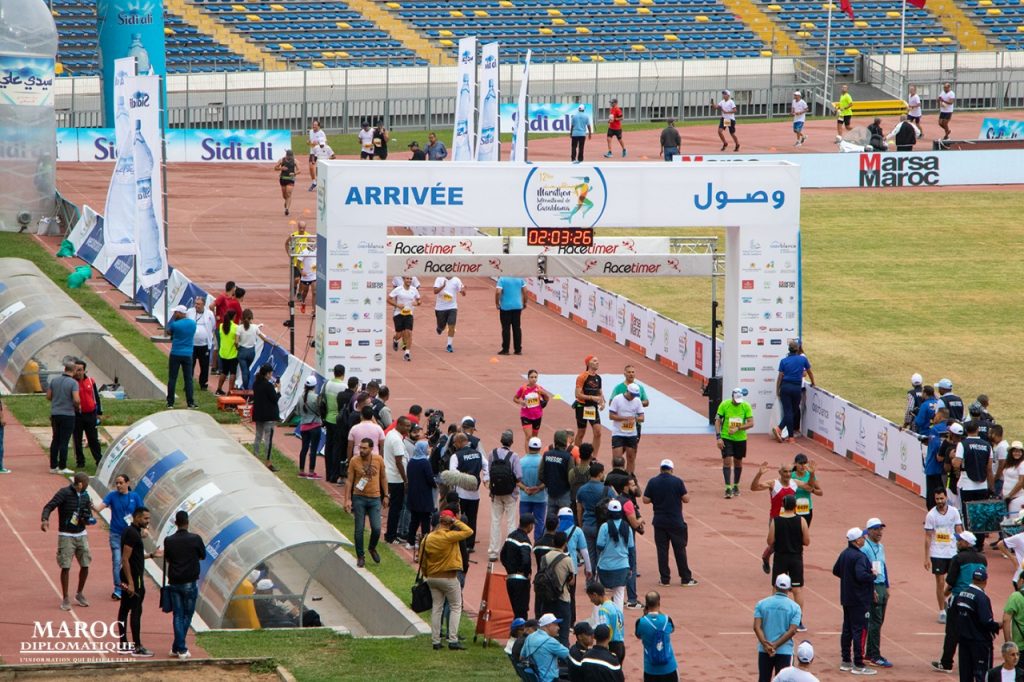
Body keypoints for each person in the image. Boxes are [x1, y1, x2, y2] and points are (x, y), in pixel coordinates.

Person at [934, 531, 988, 673]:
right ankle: (978, 662)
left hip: (959, 598)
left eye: (961, 540)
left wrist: (946, 593)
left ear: (967, 543)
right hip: (978, 598)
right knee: (976, 630)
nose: (958, 542)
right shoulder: (983, 559)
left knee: (952, 632)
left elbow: (951, 581)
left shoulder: (957, 558)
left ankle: (946, 663)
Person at [420, 509, 472, 650]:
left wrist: (427, 574)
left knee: (437, 608)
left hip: (432, 578)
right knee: (455, 606)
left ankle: (436, 641)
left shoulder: (428, 538)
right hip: (449, 578)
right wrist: (456, 521)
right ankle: (452, 640)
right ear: (449, 522)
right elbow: (469, 532)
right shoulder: (449, 536)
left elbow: (422, 560)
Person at [42, 471, 94, 610]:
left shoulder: (85, 495)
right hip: (66, 535)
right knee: (66, 566)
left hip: (81, 534)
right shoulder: (64, 493)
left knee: (85, 564)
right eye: (87, 484)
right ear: (80, 484)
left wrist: (87, 519)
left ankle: (79, 593)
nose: (88, 486)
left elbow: (88, 513)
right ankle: (65, 597)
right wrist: (45, 520)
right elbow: (49, 506)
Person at [642, 459, 696, 588]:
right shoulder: (677, 481)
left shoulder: (653, 481)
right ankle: (685, 578)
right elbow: (686, 499)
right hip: (675, 521)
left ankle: (665, 578)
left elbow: (645, 500)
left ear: (661, 469)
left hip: (659, 521)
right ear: (671, 469)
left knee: (662, 551)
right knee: (680, 550)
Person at [833, 527, 877, 675]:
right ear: (857, 540)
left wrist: (848, 579)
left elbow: (836, 570)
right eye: (862, 537)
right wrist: (872, 576)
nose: (864, 539)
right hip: (859, 600)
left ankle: (846, 660)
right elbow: (861, 575)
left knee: (847, 629)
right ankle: (858, 663)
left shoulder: (845, 554)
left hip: (847, 598)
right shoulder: (859, 557)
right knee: (859, 630)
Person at [91, 474, 142, 601]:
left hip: (131, 536)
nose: (118, 485)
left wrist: (145, 528)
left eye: (121, 483)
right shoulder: (112, 496)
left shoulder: (135, 497)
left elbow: (142, 513)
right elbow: (99, 507)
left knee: (132, 561)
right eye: (117, 483)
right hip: (116, 535)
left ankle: (133, 584)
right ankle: (118, 589)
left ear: (128, 483)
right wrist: (91, 505)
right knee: (117, 561)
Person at [163, 510, 206, 659]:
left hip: (174, 582)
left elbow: (167, 558)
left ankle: (176, 647)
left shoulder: (168, 540)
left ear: (176, 523)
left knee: (178, 615)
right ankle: (181, 648)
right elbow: (202, 555)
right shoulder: (196, 539)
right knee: (187, 614)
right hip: (189, 582)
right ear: (188, 522)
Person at [118, 506, 156, 657]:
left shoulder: (132, 532)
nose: (148, 521)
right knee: (135, 610)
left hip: (131, 576)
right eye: (146, 518)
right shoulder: (133, 534)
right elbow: (125, 559)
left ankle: (123, 644)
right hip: (134, 578)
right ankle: (137, 647)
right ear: (137, 517)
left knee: (124, 609)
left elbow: (135, 556)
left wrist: (151, 555)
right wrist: (131, 582)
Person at [767, 495, 809, 629]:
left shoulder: (776, 521)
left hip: (780, 557)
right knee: (797, 589)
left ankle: (775, 618)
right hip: (796, 557)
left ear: (783, 506)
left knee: (776, 587)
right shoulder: (801, 520)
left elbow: (769, 541)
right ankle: (798, 620)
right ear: (795, 506)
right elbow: (807, 541)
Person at [346, 438, 388, 568]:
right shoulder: (354, 461)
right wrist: (347, 499)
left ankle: (372, 547)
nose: (362, 451)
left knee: (376, 528)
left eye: (364, 448)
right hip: (359, 497)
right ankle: (360, 556)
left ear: (371, 448)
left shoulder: (378, 460)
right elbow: (349, 480)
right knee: (359, 529)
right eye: (360, 448)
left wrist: (386, 495)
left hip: (375, 498)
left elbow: (383, 477)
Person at [925, 488, 964, 623]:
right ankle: (942, 611)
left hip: (952, 551)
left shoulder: (954, 512)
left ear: (946, 497)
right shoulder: (931, 515)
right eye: (937, 499)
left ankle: (947, 599)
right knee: (940, 582)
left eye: (942, 498)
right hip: (937, 552)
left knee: (954, 581)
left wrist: (963, 547)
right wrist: (926, 557)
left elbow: (959, 530)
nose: (940, 501)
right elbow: (928, 537)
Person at [754, 574, 802, 682]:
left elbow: (756, 627)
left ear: (775, 586)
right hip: (784, 651)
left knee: (763, 679)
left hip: (764, 650)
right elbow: (792, 630)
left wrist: (766, 645)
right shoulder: (795, 607)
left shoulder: (761, 604)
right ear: (789, 589)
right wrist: (775, 645)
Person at [956, 567, 1001, 681]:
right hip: (980, 643)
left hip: (964, 641)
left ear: (972, 579)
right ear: (985, 581)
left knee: (965, 676)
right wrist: (998, 625)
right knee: (982, 675)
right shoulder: (981, 597)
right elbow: (986, 621)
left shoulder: (961, 594)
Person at [956, 420, 995, 549]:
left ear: (966, 431)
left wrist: (952, 458)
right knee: (980, 515)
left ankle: (968, 544)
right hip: (982, 485)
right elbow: (989, 468)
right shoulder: (987, 445)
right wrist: (991, 487)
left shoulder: (962, 444)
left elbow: (957, 463)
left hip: (966, 484)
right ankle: (980, 544)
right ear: (978, 430)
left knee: (967, 515)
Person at [859, 518, 892, 668]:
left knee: (879, 621)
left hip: (881, 586)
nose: (880, 532)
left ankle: (870, 652)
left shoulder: (882, 547)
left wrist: (887, 586)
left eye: (881, 529)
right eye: (876, 529)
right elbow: (865, 570)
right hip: (873, 586)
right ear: (869, 531)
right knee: (875, 621)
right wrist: (871, 589)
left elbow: (883, 567)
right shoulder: (865, 548)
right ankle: (874, 654)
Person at [488, 430, 523, 560]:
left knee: (495, 522)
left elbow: (489, 471)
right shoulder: (514, 456)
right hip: (510, 493)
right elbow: (519, 476)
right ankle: (511, 552)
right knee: (511, 522)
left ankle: (493, 552)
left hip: (496, 493)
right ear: (511, 442)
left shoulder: (492, 453)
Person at [716, 387, 754, 498]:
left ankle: (736, 485)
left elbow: (751, 423)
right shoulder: (724, 405)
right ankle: (728, 487)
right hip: (726, 437)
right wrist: (718, 437)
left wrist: (738, 428)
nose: (737, 403)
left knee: (738, 462)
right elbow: (718, 421)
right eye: (736, 400)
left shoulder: (746, 406)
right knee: (727, 461)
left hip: (740, 439)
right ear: (732, 396)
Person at [773, 341, 814, 443]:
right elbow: (809, 372)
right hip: (796, 388)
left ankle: (785, 433)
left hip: (785, 387)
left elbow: (780, 377)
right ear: (798, 349)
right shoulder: (803, 359)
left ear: (789, 349)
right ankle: (787, 434)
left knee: (788, 411)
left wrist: (777, 389)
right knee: (793, 411)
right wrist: (813, 382)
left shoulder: (783, 361)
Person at [596, 499, 634, 609]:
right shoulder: (627, 527)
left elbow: (599, 546)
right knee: (619, 595)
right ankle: (618, 623)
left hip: (605, 565)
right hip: (622, 566)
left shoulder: (604, 527)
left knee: (600, 595)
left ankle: (599, 621)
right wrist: (631, 566)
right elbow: (631, 550)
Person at [537, 531, 573, 645]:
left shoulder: (544, 558)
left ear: (553, 542)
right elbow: (572, 582)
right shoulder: (567, 559)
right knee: (563, 634)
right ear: (565, 543)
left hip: (547, 598)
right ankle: (563, 660)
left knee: (546, 632)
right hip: (562, 598)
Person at [635, 590, 677, 681]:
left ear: (646, 604)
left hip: (651, 669)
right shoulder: (667, 619)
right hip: (669, 667)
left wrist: (644, 615)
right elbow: (672, 629)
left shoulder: (641, 622)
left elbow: (638, 635)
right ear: (659, 603)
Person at [382, 416, 411, 546]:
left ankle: (390, 534)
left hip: (390, 476)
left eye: (409, 426)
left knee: (394, 508)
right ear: (398, 424)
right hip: (396, 479)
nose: (408, 428)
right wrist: (405, 480)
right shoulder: (397, 440)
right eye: (406, 426)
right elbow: (399, 461)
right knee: (395, 509)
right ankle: (391, 536)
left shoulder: (391, 434)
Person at [47, 359, 80, 474]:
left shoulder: (54, 380)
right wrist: (77, 406)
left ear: (64, 369)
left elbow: (49, 396)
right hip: (68, 414)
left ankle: (53, 466)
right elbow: (76, 399)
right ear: (74, 370)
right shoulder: (73, 383)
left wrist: (57, 400)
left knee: (55, 439)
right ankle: (62, 466)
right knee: (64, 441)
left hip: (55, 413)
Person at [502, 513, 535, 620]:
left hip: (510, 578)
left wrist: (509, 569)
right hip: (521, 581)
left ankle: (514, 633)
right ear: (529, 526)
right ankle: (520, 635)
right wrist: (526, 573)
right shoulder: (525, 541)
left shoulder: (510, 536)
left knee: (513, 610)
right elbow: (526, 560)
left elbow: (503, 555)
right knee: (522, 611)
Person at [165, 305, 198, 408]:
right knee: (188, 379)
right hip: (188, 354)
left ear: (180, 313)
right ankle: (190, 402)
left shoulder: (175, 324)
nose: (174, 314)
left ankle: (170, 402)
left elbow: (169, 332)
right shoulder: (193, 323)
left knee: (172, 378)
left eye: (176, 313)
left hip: (175, 353)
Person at [521, 613, 570, 681]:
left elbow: (521, 657)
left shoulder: (529, 637)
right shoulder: (550, 641)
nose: (558, 627)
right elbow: (570, 655)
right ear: (548, 625)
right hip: (550, 679)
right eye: (556, 624)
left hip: (536, 678)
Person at [608, 383, 645, 474]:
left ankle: (629, 477)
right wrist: (625, 418)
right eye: (632, 394)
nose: (633, 397)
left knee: (631, 457)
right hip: (618, 433)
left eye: (635, 395)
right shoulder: (617, 399)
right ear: (627, 391)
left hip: (631, 433)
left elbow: (642, 418)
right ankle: (616, 476)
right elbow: (611, 416)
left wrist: (635, 419)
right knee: (617, 459)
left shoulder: (637, 401)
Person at [405, 440, 436, 549]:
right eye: (427, 447)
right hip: (424, 496)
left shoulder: (411, 462)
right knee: (425, 521)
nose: (429, 449)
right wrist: (435, 483)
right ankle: (424, 542)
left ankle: (410, 541)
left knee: (414, 520)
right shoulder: (425, 462)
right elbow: (430, 478)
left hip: (413, 494)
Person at [72, 360, 102, 467]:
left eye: (80, 370)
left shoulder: (90, 381)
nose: (78, 372)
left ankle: (99, 460)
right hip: (77, 415)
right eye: (76, 370)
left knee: (93, 438)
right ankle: (80, 462)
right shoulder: (71, 382)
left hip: (90, 414)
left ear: (84, 370)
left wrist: (99, 412)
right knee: (77, 439)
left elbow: (96, 397)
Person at [574, 355, 606, 456]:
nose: (597, 362)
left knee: (598, 432)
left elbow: (599, 392)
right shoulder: (582, 377)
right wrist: (592, 398)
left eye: (598, 361)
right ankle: (576, 455)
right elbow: (577, 394)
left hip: (592, 408)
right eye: (595, 361)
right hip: (582, 406)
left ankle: (593, 457)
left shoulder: (598, 378)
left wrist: (602, 402)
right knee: (581, 433)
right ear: (588, 363)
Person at [251, 364, 280, 471]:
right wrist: (278, 390)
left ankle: (255, 456)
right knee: (268, 439)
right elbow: (275, 399)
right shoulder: (268, 386)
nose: (271, 375)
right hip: (269, 416)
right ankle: (268, 462)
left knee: (258, 436)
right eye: (271, 373)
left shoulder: (256, 384)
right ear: (267, 374)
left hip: (258, 414)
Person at [588, 582, 626, 663]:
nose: (591, 601)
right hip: (621, 645)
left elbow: (604, 631)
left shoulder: (603, 609)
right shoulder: (615, 606)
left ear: (595, 595)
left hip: (612, 646)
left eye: (591, 598)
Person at [519, 437, 548, 541]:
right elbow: (547, 480)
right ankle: (538, 544)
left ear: (528, 447)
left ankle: (522, 541)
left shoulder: (521, 461)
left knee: (523, 522)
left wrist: (525, 489)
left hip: (525, 497)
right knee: (539, 522)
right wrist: (538, 489)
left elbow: (516, 480)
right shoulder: (543, 462)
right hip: (540, 498)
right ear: (539, 448)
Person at [542, 431, 574, 521]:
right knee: (565, 521)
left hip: (551, 493)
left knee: (549, 522)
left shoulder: (547, 454)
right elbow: (571, 477)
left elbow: (541, 473)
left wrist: (549, 484)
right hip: (564, 493)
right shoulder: (568, 457)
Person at [296, 376, 322, 479]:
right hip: (315, 425)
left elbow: (297, 412)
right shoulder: (316, 397)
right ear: (314, 386)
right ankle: (311, 472)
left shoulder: (300, 397)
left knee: (304, 448)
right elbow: (320, 411)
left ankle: (301, 470)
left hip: (304, 426)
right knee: (313, 449)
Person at [389, 275, 421, 362]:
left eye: (410, 279)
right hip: (398, 313)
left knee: (409, 333)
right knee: (399, 334)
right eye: (407, 278)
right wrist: (397, 305)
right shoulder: (398, 289)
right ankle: (395, 340)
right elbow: (388, 299)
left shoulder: (414, 290)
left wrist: (417, 303)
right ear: (404, 280)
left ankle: (407, 353)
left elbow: (419, 301)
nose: (409, 280)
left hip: (409, 314)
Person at [514, 370, 553, 442]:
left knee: (534, 439)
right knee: (528, 437)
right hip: (526, 415)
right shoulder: (523, 388)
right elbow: (515, 398)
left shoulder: (539, 388)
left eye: (535, 377)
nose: (534, 379)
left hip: (537, 415)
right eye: (531, 377)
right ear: (528, 378)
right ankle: (527, 453)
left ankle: (533, 452)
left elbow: (547, 399)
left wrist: (544, 393)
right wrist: (520, 402)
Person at [187, 297, 216, 392]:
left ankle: (203, 384)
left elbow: (213, 326)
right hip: (192, 344)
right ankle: (188, 383)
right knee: (190, 365)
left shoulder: (209, 314)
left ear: (204, 304)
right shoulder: (190, 312)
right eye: (195, 303)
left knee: (204, 365)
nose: (196, 306)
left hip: (204, 345)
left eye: (198, 304)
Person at [432, 275, 465, 353]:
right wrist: (443, 286)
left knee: (452, 325)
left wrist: (463, 291)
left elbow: (463, 292)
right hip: (440, 308)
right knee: (442, 326)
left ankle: (449, 345)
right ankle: (440, 328)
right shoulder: (439, 278)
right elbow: (435, 291)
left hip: (452, 307)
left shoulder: (456, 280)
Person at [496, 275, 526, 356]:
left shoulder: (502, 279)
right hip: (517, 306)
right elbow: (525, 291)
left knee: (506, 328)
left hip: (505, 307)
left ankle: (505, 350)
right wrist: (524, 302)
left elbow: (498, 292)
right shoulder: (520, 278)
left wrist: (497, 303)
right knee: (517, 328)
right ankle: (518, 349)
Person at [790, 454, 822, 526]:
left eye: (804, 463)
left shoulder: (810, 475)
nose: (802, 466)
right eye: (800, 463)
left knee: (804, 532)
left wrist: (811, 490)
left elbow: (820, 492)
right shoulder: (790, 475)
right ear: (795, 464)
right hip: (792, 508)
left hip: (806, 508)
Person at [214, 310, 239, 396]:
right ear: (233, 317)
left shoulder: (221, 326)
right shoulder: (236, 327)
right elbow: (237, 341)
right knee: (233, 372)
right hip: (232, 353)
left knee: (224, 371)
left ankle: (219, 389)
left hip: (223, 353)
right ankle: (230, 391)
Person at [235, 309, 260, 390]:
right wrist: (272, 343)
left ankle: (245, 388)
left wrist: (237, 348)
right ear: (251, 318)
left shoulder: (239, 328)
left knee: (244, 371)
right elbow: (263, 337)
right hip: (251, 352)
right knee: (247, 369)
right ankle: (247, 386)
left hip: (242, 351)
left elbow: (236, 341)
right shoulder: (255, 327)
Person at [999, 441, 1024, 514]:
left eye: (1019, 451)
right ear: (1011, 452)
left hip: (1017, 497)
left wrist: (1009, 495)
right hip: (1006, 497)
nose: (1017, 453)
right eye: (1015, 451)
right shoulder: (1008, 463)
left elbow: (1021, 482)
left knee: (1014, 521)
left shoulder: (1022, 464)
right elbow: (1006, 479)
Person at [274, 148, 298, 215]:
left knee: (288, 193)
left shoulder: (295, 161)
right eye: (289, 156)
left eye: (291, 156)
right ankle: (286, 201)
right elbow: (275, 168)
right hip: (283, 179)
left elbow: (299, 170)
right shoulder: (281, 160)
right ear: (286, 155)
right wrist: (281, 168)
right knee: (284, 195)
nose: (290, 157)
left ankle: (287, 209)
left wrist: (294, 173)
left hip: (291, 179)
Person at [307, 120, 325, 191]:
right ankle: (314, 182)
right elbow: (310, 140)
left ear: (318, 126)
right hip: (312, 152)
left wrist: (318, 142)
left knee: (319, 168)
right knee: (311, 167)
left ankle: (321, 182)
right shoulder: (311, 131)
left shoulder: (321, 133)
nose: (314, 126)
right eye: (313, 124)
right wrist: (308, 142)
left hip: (319, 152)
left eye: (315, 125)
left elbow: (325, 142)